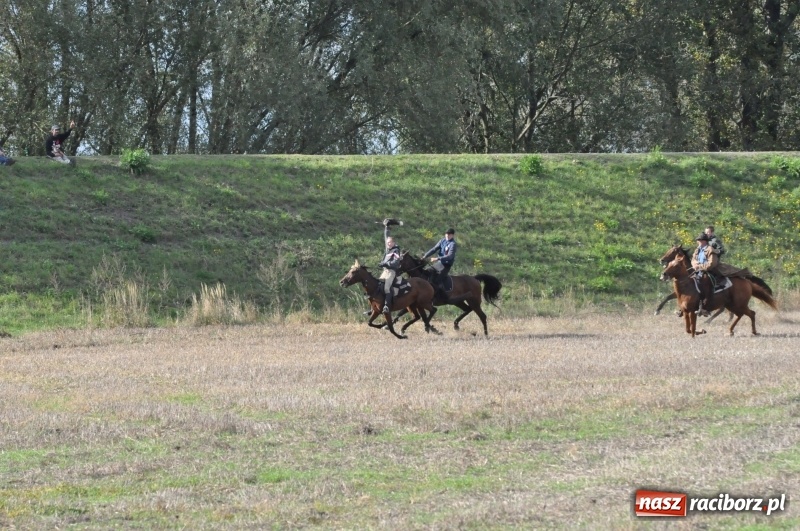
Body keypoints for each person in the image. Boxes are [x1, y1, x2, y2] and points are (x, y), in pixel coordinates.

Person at [422, 227, 457, 299]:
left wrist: (437, 258)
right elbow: (434, 249)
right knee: (428, 271)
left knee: (437, 280)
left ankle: (440, 297)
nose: (447, 235)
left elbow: (450, 256)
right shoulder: (442, 241)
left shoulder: (453, 244)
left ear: (452, 235)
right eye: (446, 234)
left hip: (446, 265)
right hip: (439, 263)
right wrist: (425, 256)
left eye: (449, 234)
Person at [691, 233, 720, 317]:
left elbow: (711, 264)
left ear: (703, 241)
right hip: (698, 271)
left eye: (699, 240)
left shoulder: (710, 249)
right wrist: (694, 265)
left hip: (708, 271)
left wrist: (699, 266)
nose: (697, 242)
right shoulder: (697, 249)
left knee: (707, 283)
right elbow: (693, 259)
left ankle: (706, 307)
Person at [378, 219, 403, 313]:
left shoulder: (396, 250)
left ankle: (387, 306)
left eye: (390, 243)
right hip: (385, 271)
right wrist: (386, 227)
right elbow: (386, 237)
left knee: (386, 288)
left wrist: (386, 264)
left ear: (393, 243)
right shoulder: (388, 249)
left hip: (391, 272)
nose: (388, 244)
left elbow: (396, 262)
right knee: (378, 287)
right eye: (387, 243)